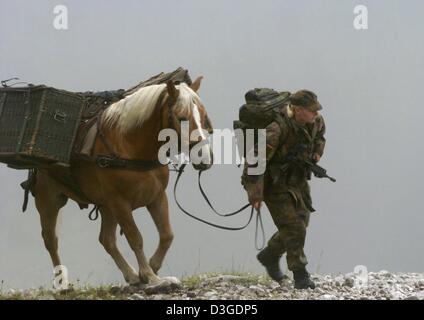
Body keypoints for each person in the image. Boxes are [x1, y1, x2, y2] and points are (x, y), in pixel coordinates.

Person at [242, 90, 326, 289]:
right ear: (297, 110)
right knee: (294, 227)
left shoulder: (316, 121)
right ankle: (300, 275)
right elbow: (255, 161)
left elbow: (320, 136)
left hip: (298, 181)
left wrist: (316, 153)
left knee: (302, 222)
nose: (315, 114)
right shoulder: (276, 129)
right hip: (275, 185)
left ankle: (270, 255)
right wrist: (255, 193)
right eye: (311, 110)